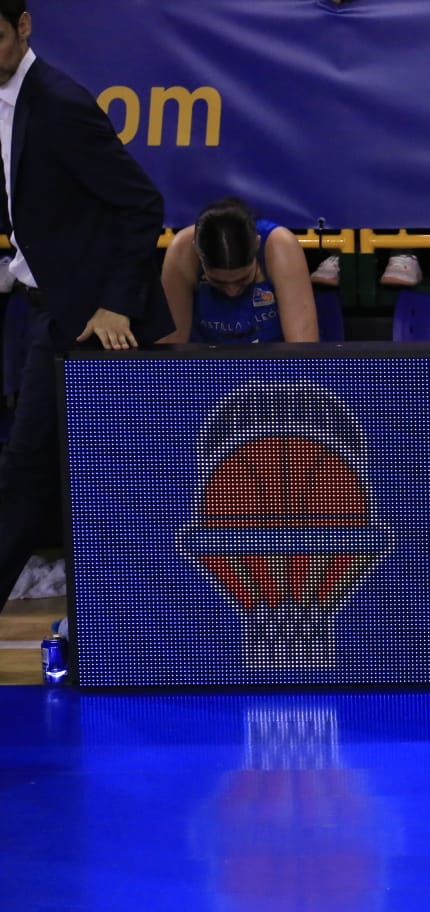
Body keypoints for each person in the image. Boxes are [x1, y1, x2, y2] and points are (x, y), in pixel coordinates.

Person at [0, 1, 173, 611]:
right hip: (44, 308)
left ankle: (143, 625)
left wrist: (116, 305)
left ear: (23, 27)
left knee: (87, 483)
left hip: (92, 324)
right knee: (31, 475)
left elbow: (143, 204)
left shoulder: (60, 104)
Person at [161, 197, 319, 343]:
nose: (232, 291)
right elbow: (170, 350)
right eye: (218, 281)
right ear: (197, 251)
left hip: (273, 366)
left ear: (257, 244)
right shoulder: (182, 250)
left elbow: (303, 351)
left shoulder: (280, 246)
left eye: (243, 279)